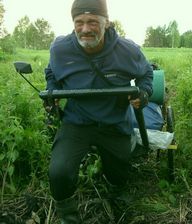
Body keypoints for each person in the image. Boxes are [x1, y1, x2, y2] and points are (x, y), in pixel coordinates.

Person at [44, 0, 153, 223]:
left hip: (114, 122)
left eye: (93, 22)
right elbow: (51, 73)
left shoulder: (127, 50)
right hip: (77, 121)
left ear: (106, 22)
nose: (85, 29)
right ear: (73, 23)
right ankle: (68, 216)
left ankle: (116, 194)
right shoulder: (60, 49)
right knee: (59, 173)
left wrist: (143, 93)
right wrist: (52, 92)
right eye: (79, 22)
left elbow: (146, 74)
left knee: (119, 174)